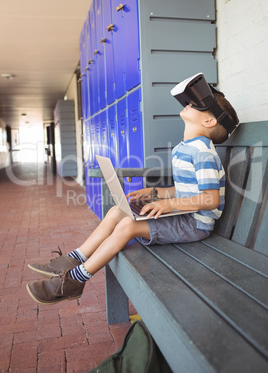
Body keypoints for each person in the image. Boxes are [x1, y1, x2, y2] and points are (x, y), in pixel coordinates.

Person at [26, 74, 239, 305]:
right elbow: (186, 189)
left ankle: (75, 280)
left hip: (195, 225)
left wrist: (168, 205)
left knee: (128, 225)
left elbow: (209, 199)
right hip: (185, 215)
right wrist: (155, 194)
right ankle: (73, 259)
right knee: (119, 211)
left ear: (209, 122)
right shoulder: (186, 148)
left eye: (195, 104)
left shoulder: (203, 152)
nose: (188, 104)